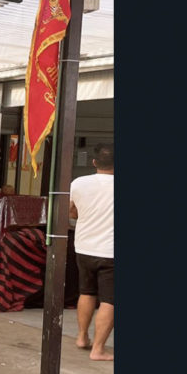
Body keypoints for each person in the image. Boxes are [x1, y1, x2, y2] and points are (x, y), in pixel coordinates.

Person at [69, 143, 115, 360]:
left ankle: (81, 337)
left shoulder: (78, 183)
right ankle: (98, 350)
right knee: (110, 300)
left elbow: (72, 211)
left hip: (84, 247)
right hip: (111, 251)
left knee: (86, 292)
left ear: (94, 162)